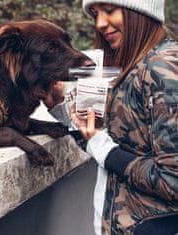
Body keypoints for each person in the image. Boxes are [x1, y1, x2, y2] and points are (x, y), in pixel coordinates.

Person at [43, 0, 178, 234]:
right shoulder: (136, 66)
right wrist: (61, 110)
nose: (100, 24)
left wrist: (101, 145)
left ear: (141, 9)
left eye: (109, 10)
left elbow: (172, 181)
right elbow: (109, 140)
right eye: (95, 14)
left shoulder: (163, 69)